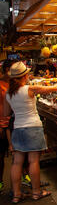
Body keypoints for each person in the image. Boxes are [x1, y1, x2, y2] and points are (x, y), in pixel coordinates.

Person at [5, 61, 57, 204]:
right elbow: (54, 88)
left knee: (17, 162)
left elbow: (6, 113)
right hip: (32, 127)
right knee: (33, 161)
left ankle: (16, 194)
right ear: (24, 75)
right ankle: (37, 192)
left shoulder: (8, 93)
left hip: (18, 128)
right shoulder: (30, 89)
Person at [0, 60, 14, 192]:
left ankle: (24, 179)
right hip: (2, 124)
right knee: (0, 156)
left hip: (14, 123)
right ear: (5, 69)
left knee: (18, 154)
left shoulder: (15, 83)